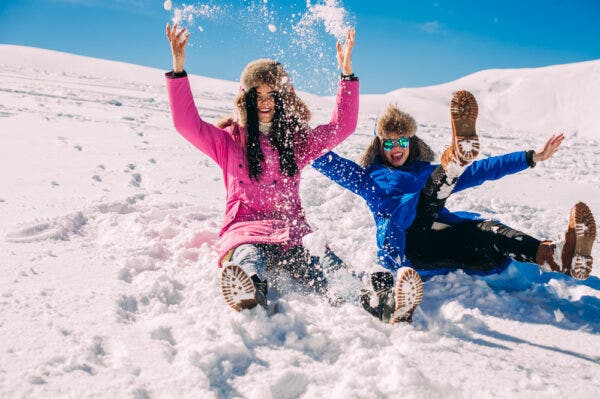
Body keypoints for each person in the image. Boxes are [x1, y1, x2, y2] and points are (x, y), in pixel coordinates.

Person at [312, 90, 596, 323]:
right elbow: (324, 159)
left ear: (412, 142)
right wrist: (291, 136)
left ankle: (557, 256)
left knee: (487, 230)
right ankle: (457, 159)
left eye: (402, 140)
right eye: (389, 142)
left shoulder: (424, 171)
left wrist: (532, 157)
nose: (396, 147)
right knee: (426, 197)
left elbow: (483, 170)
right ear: (379, 145)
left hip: (456, 251)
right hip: (412, 249)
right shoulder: (367, 178)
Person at [164, 23, 359, 312]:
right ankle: (249, 290)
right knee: (248, 257)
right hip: (246, 229)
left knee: (326, 263)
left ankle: (368, 296)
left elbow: (341, 126)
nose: (265, 102)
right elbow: (187, 124)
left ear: (282, 99)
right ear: (247, 100)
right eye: (258, 95)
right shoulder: (229, 142)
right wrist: (178, 70)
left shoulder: (296, 143)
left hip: (292, 232)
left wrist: (346, 76)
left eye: (272, 95)